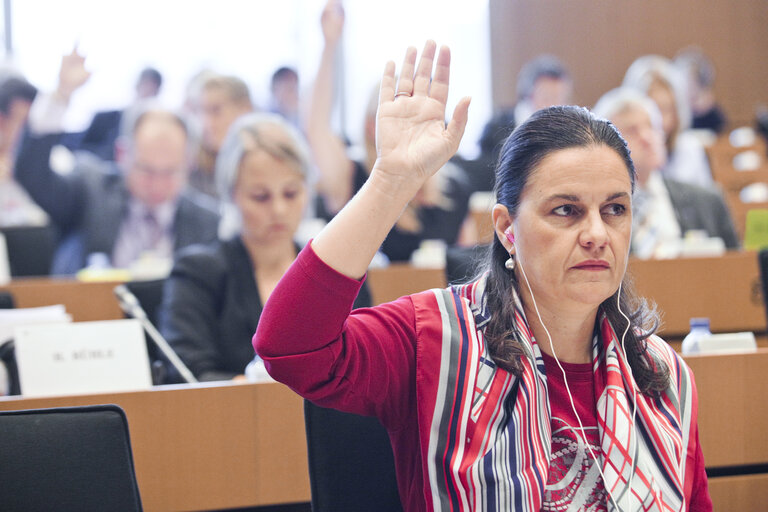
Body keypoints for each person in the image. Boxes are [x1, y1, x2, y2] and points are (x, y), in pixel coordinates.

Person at [254, 41, 712, 510]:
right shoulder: (434, 338)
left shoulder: (663, 373)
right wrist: (391, 181)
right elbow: (289, 346)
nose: (597, 233)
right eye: (566, 210)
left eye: (615, 209)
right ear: (507, 229)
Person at [158, 112, 370, 382]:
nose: (279, 209)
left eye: (291, 193)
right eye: (260, 197)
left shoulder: (338, 272)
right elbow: (189, 376)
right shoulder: (197, 273)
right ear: (231, 195)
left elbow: (361, 369)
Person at [15, 59, 219, 275]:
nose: (157, 185)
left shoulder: (208, 223)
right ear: (123, 154)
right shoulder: (91, 190)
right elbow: (32, 175)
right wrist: (60, 96)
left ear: (189, 162)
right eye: (146, 170)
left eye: (170, 172)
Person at [306, 0, 470, 262]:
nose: (411, 127)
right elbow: (317, 128)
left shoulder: (454, 188)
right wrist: (329, 46)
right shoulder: (352, 177)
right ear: (371, 126)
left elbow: (465, 264)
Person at [593, 87, 738, 257]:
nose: (647, 137)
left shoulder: (707, 201)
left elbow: (736, 271)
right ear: (605, 146)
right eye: (632, 130)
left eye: (652, 127)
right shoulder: (596, 213)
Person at [623, 55, 713, 189]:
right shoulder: (624, 155)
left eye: (666, 109)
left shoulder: (690, 149)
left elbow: (706, 201)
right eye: (652, 111)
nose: (660, 121)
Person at [73, 66, 163, 161]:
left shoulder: (159, 132)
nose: (147, 91)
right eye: (145, 85)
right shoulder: (104, 119)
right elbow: (80, 150)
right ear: (137, 86)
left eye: (152, 88)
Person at [188, 73, 255, 199]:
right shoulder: (191, 167)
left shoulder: (262, 163)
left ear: (245, 110)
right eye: (201, 111)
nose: (206, 123)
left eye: (216, 110)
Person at [673, 47, 727, 135]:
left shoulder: (710, 109)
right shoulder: (673, 107)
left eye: (689, 80)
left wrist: (703, 111)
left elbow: (720, 126)